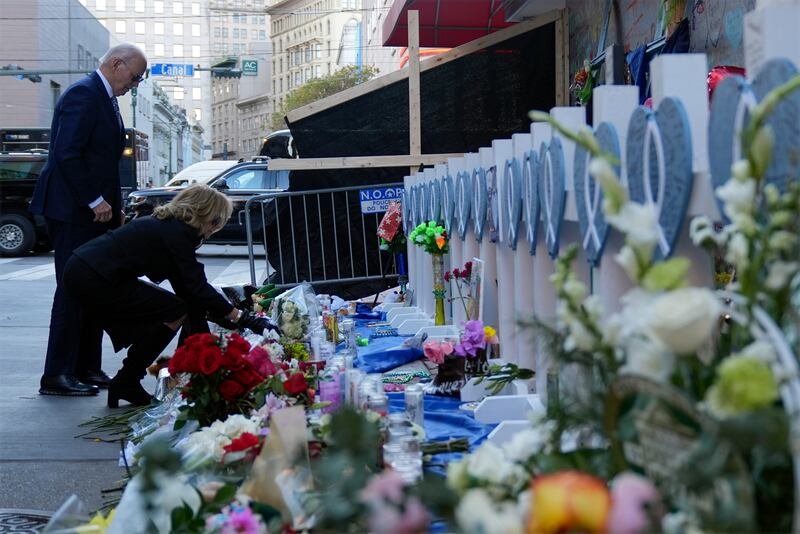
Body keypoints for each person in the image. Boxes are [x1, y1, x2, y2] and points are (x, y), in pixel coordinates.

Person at [62, 184, 277, 408]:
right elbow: (196, 287)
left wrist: (216, 321)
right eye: (216, 222)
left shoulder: (172, 227)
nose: (215, 229)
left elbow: (189, 291)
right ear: (205, 214)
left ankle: (131, 380)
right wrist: (241, 318)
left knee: (176, 308)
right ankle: (127, 380)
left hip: (89, 271)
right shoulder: (177, 233)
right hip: (93, 277)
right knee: (173, 311)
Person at [30, 44, 148, 396]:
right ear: (116, 64)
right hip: (72, 210)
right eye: (135, 76)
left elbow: (103, 161)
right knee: (72, 287)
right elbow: (68, 154)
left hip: (95, 212)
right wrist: (94, 200)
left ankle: (86, 366)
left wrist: (114, 204)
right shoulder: (83, 94)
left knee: (95, 287)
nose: (135, 84)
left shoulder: (105, 97)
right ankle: (57, 373)